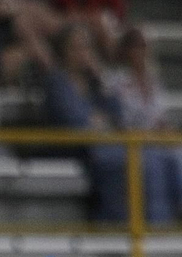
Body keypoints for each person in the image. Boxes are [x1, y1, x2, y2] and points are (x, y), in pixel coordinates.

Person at [41, 22, 173, 224]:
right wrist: (96, 121)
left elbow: (117, 115)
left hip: (100, 142)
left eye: (85, 47)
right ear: (62, 52)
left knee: (151, 157)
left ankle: (156, 222)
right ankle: (112, 221)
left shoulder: (95, 83)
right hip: (72, 145)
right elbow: (73, 120)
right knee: (117, 159)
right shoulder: (57, 81)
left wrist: (101, 79)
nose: (82, 53)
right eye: (75, 48)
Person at [109, 26, 182, 226]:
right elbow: (119, 121)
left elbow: (162, 117)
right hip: (137, 143)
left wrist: (167, 132)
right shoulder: (116, 82)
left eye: (146, 47)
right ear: (127, 50)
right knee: (177, 159)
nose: (143, 53)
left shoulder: (154, 82)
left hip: (159, 140)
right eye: (139, 47)